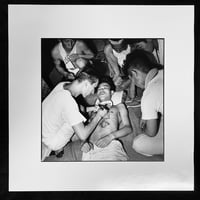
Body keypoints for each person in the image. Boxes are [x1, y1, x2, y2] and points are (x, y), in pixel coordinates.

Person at [42, 66, 107, 161]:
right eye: (94, 88)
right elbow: (83, 135)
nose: (93, 92)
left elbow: (79, 107)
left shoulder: (64, 84)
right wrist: (99, 116)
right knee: (80, 120)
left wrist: (93, 108)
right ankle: (58, 148)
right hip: (52, 141)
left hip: (42, 130)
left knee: (75, 112)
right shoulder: (68, 102)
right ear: (86, 84)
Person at [81, 76, 132, 161]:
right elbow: (84, 131)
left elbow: (128, 128)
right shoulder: (91, 111)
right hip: (89, 150)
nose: (101, 90)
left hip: (110, 146)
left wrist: (110, 137)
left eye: (105, 87)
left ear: (112, 92)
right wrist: (84, 142)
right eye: (99, 88)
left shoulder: (119, 107)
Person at [124, 49, 164, 156]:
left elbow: (151, 133)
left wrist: (145, 128)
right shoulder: (164, 71)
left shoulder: (148, 96)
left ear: (134, 73)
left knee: (138, 143)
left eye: (132, 78)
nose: (135, 84)